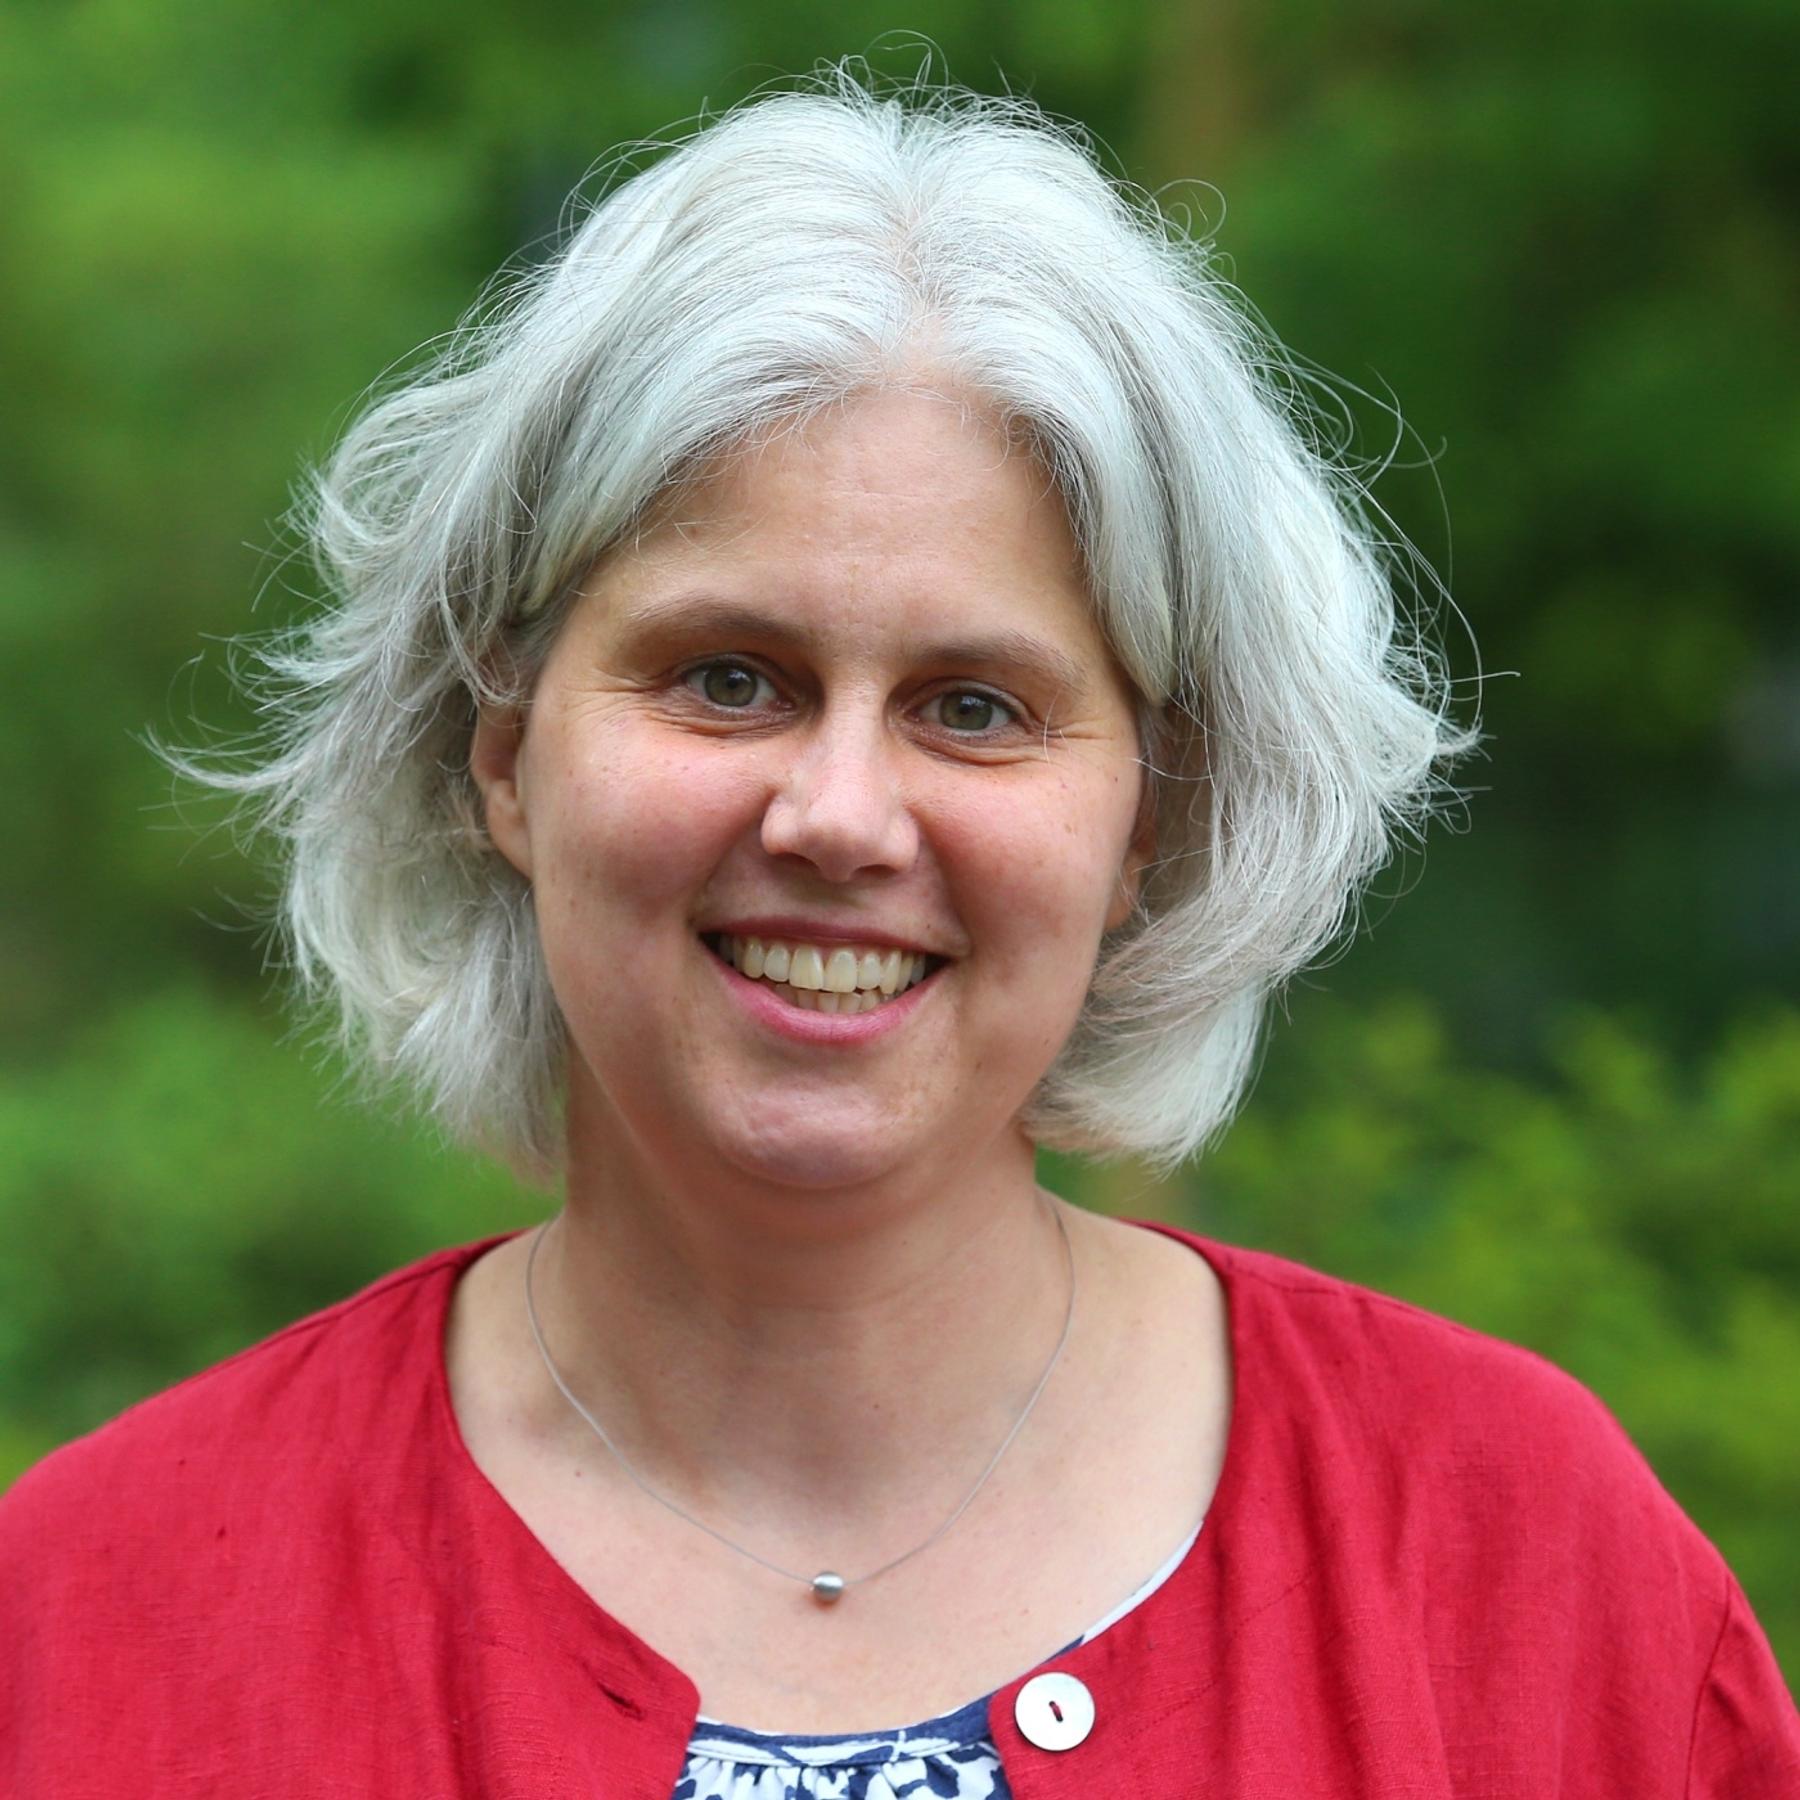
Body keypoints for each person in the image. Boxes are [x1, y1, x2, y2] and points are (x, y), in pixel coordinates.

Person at [3, 70, 1795, 1799]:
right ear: (503, 756)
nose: (841, 815)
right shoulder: (88, 1617)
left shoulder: (1530, 1572)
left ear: (1147, 819)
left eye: (975, 708)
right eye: (729, 679)